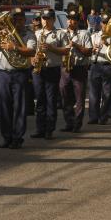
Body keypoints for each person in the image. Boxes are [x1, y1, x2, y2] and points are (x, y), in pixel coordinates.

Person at [0, 8, 36, 149]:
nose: (18, 22)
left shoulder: (29, 35)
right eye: (15, 19)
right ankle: (7, 137)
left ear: (24, 20)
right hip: (4, 73)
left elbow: (31, 51)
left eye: (20, 19)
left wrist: (14, 47)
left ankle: (17, 137)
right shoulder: (5, 33)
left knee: (19, 107)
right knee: (4, 107)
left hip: (20, 73)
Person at [31, 9, 69, 139]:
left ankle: (49, 129)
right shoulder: (36, 33)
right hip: (38, 69)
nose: (45, 21)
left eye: (48, 18)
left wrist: (52, 48)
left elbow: (66, 50)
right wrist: (33, 59)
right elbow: (31, 51)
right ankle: (39, 128)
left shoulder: (60, 33)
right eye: (43, 18)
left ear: (53, 20)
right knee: (39, 100)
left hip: (52, 69)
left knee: (51, 100)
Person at [60, 10, 92, 133]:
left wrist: (76, 45)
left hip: (79, 68)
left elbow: (89, 52)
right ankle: (69, 122)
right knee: (65, 96)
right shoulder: (62, 33)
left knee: (79, 98)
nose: (70, 21)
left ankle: (77, 124)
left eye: (73, 19)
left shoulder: (84, 34)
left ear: (78, 21)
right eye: (68, 19)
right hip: (65, 68)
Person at [88, 13, 111, 124]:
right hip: (95, 64)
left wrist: (108, 44)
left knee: (107, 94)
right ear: (101, 23)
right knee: (93, 93)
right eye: (104, 23)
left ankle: (103, 117)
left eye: (107, 23)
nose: (105, 25)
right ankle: (93, 117)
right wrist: (92, 49)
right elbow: (88, 50)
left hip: (108, 65)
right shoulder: (95, 35)